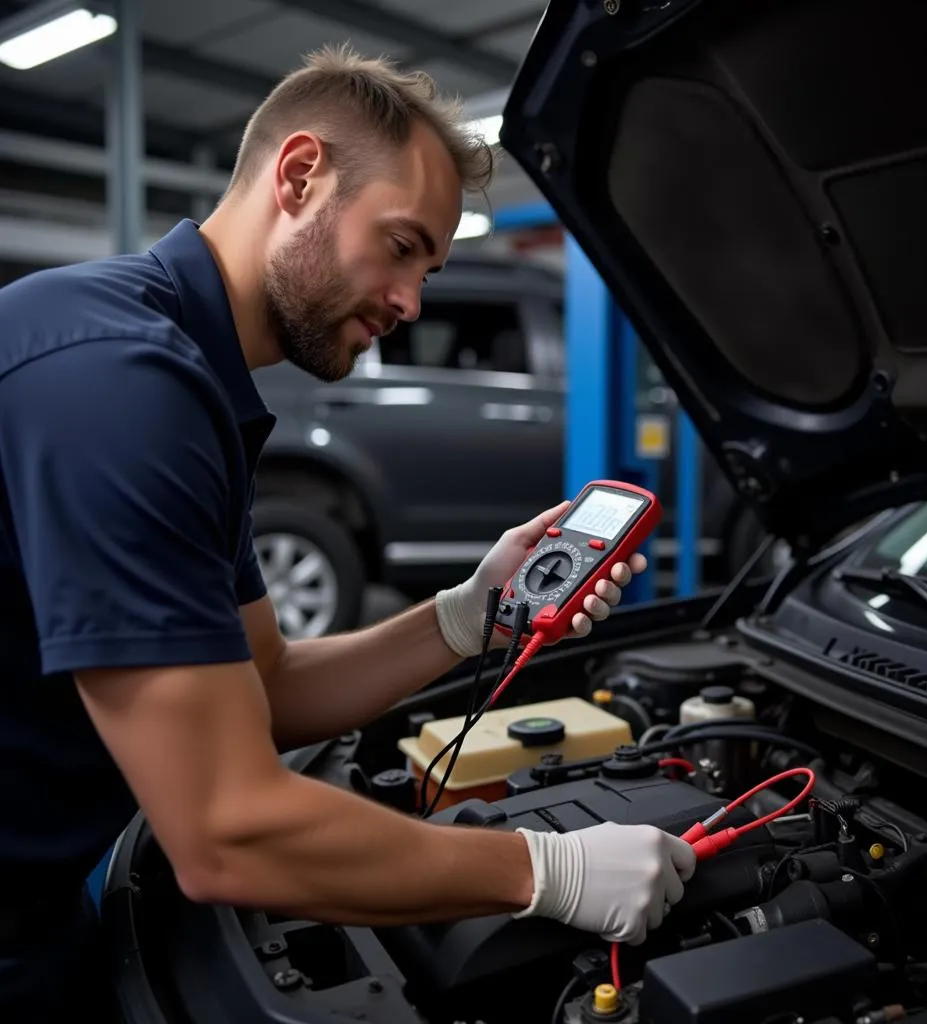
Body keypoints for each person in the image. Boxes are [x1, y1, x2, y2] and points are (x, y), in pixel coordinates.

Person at [0, 45, 696, 1020]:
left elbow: (266, 687)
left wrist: (466, 616)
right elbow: (225, 832)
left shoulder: (183, 378)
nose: (412, 302)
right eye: (403, 245)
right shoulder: (121, 384)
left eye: (431, 268)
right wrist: (546, 869)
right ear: (298, 176)